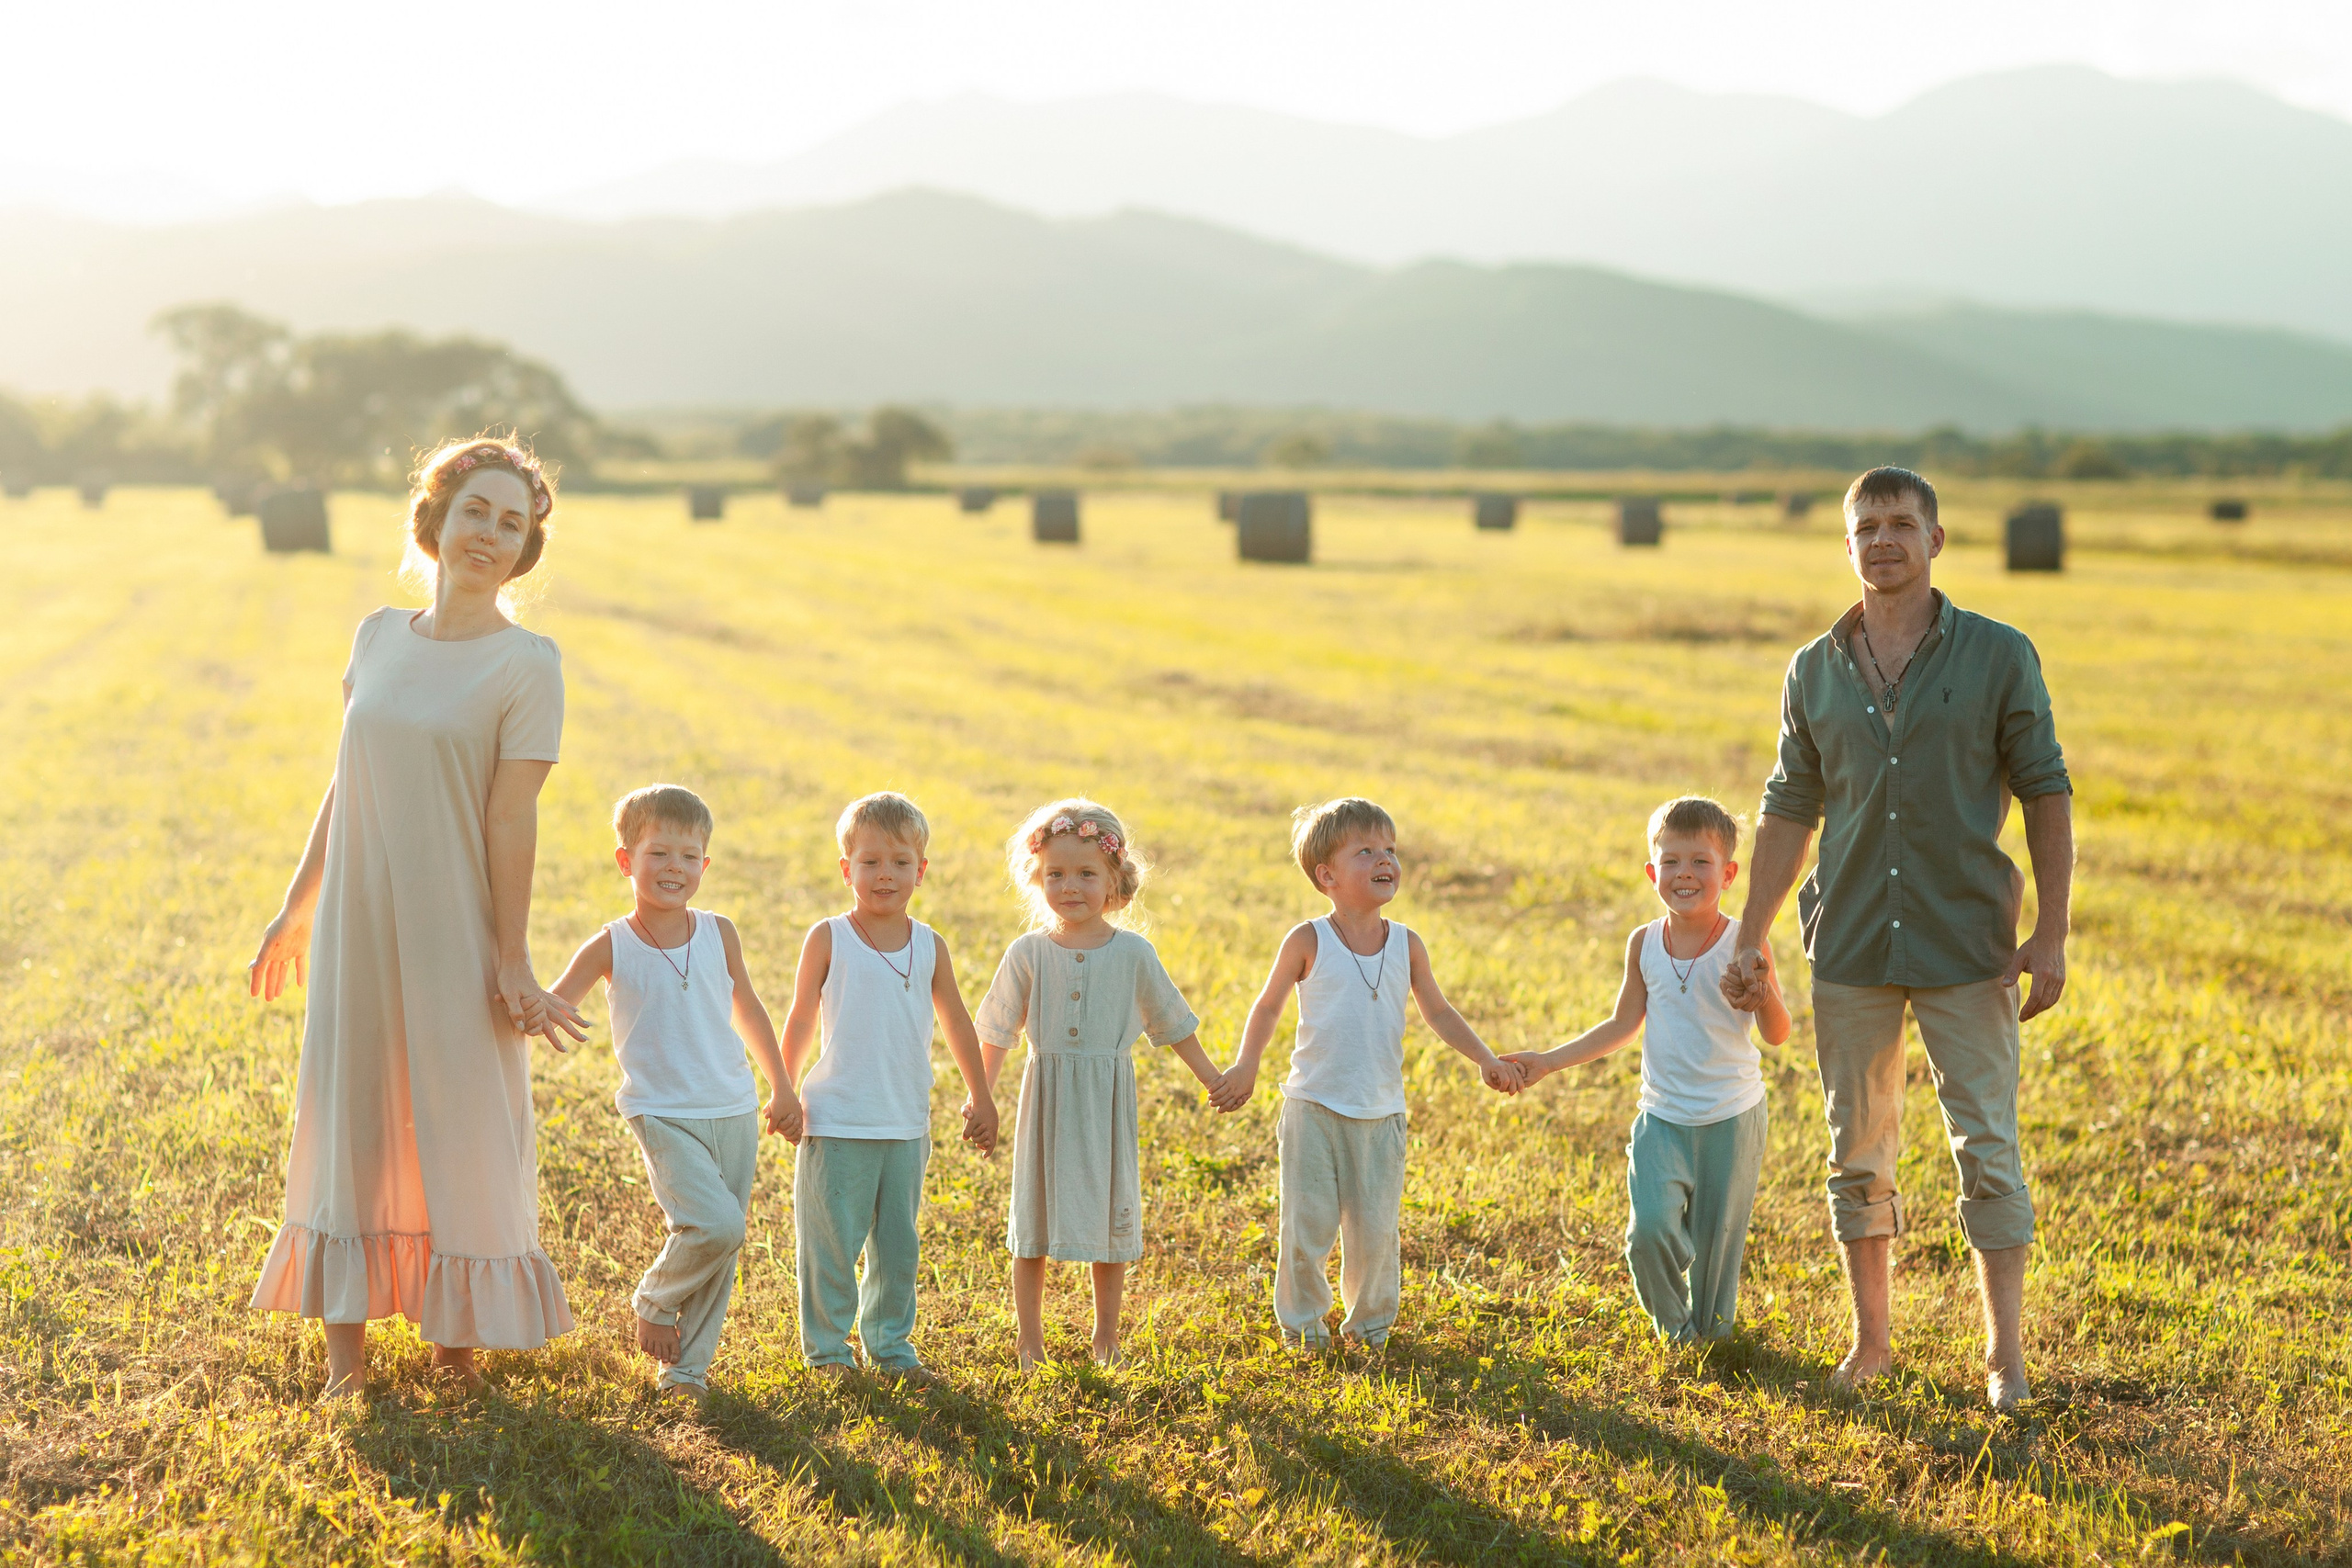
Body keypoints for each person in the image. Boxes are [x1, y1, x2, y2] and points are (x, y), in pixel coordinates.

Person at [1721, 465, 2073, 1410]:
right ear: (1846, 545)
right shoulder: (1811, 668)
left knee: (1986, 1146)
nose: (1883, 540)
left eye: (1900, 524)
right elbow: (1790, 805)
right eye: (1866, 526)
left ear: (1934, 540)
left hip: (1969, 940)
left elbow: (2044, 788)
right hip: (1849, 942)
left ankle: (2004, 1359)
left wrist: (2053, 931)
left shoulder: (2000, 654)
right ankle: (1871, 1345)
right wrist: (1749, 933)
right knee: (1855, 1149)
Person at [247, 436, 589, 1399]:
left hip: (456, 921)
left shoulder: (529, 664)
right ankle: (344, 1364)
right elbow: (344, 780)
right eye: (476, 511)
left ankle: (457, 1347)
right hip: (358, 916)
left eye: (511, 524)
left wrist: (512, 959)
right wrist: (295, 907)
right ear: (435, 518)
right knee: (351, 1109)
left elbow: (510, 818)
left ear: (526, 550)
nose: (489, 534)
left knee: (465, 1114)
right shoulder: (375, 637)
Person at [1221, 797, 1523, 1349]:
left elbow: (1439, 1011)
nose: (1385, 859)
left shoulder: (1407, 944)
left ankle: (1371, 1327)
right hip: (1313, 1107)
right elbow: (1266, 1007)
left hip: (1381, 1113)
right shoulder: (1308, 939)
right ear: (1327, 875)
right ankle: (1304, 1327)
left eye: (1390, 849)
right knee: (1306, 1227)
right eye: (1366, 851)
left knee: (1376, 1233)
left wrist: (1486, 1058)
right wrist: (1248, 1063)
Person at [547, 784, 797, 1407]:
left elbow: (749, 1007)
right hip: (660, 1109)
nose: (674, 868)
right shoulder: (612, 942)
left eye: (689, 856)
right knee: (714, 1223)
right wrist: (518, 996)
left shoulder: (719, 931)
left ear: (705, 866)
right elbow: (555, 1000)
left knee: (724, 1243)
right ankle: (654, 1298)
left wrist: (781, 1084)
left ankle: (685, 1373)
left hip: (733, 1105)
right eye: (659, 853)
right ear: (625, 860)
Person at [1506, 797, 1791, 1343]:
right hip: (1662, 1117)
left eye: (1700, 862)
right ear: (1651, 872)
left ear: (1728, 873)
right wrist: (1547, 1061)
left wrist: (1760, 995)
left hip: (1731, 1118)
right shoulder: (1644, 943)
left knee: (1716, 1243)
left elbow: (1779, 1033)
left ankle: (1710, 1342)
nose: (1685, 874)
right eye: (1671, 862)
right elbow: (1621, 1025)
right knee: (1648, 1234)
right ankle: (1675, 1330)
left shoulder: (1743, 943)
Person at [973, 798, 1232, 1370]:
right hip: (1046, 1098)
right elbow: (995, 1031)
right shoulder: (1028, 953)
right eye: (1056, 874)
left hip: (1105, 1101)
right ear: (1036, 878)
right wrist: (982, 1098)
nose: (1071, 886)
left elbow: (1173, 1024)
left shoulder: (1134, 954)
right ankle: (1029, 1340)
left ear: (1114, 878)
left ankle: (1106, 1337)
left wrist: (1214, 1079)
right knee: (1032, 1219)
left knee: (1112, 1216)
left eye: (1087, 873)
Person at [775, 792, 1000, 1384]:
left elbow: (957, 1022)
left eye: (900, 862)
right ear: (846, 869)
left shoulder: (930, 945)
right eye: (870, 862)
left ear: (920, 871)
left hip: (905, 1124)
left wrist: (982, 1095)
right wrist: (782, 1087)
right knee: (831, 1247)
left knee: (898, 1250)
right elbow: (800, 1018)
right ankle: (827, 1351)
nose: (885, 875)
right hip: (837, 1120)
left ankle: (892, 1346)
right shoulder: (829, 937)